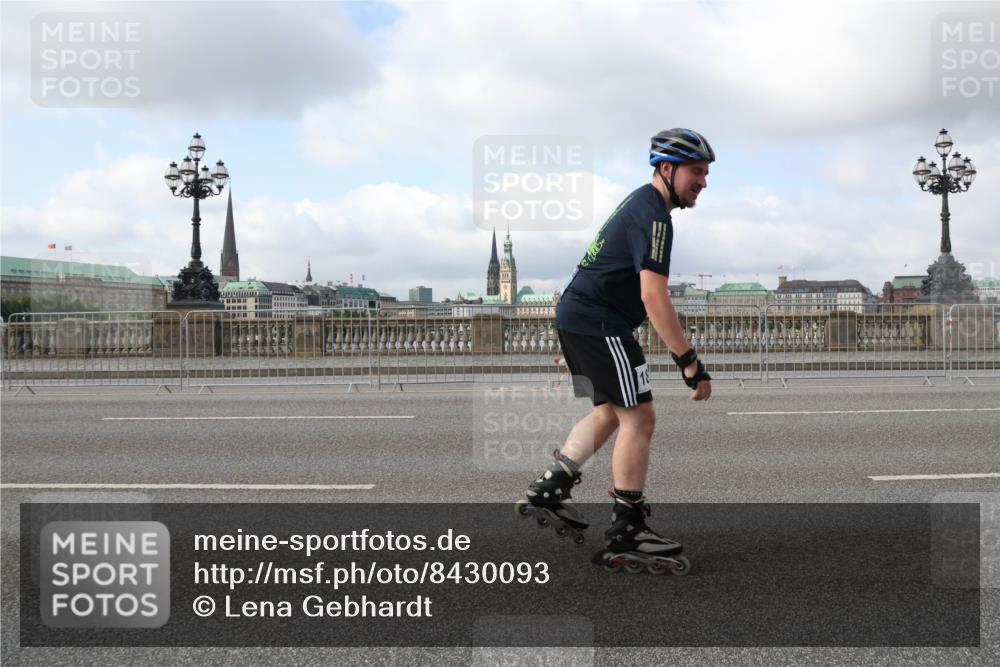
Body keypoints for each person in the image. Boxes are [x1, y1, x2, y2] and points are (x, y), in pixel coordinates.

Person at [515, 128, 714, 573]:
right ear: (667, 169)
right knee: (639, 418)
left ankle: (551, 487)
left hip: (578, 316)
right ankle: (628, 527)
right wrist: (689, 362)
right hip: (600, 322)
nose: (703, 182)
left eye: (704, 173)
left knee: (610, 412)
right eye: (696, 172)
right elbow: (654, 297)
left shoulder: (642, 203)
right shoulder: (655, 217)